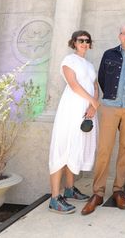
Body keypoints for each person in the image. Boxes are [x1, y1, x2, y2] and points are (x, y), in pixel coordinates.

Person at [81, 25, 125, 215]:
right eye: (123, 32)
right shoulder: (109, 54)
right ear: (119, 36)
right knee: (104, 149)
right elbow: (102, 78)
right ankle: (98, 192)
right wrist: (110, 95)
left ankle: (118, 189)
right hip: (110, 106)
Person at [48, 30, 99, 214]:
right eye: (81, 40)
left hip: (87, 112)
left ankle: (69, 189)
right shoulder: (69, 60)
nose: (84, 43)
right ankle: (54, 198)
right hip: (71, 109)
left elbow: (95, 86)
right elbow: (73, 84)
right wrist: (93, 101)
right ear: (74, 43)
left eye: (87, 40)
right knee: (63, 147)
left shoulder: (91, 65)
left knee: (76, 148)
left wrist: (94, 105)